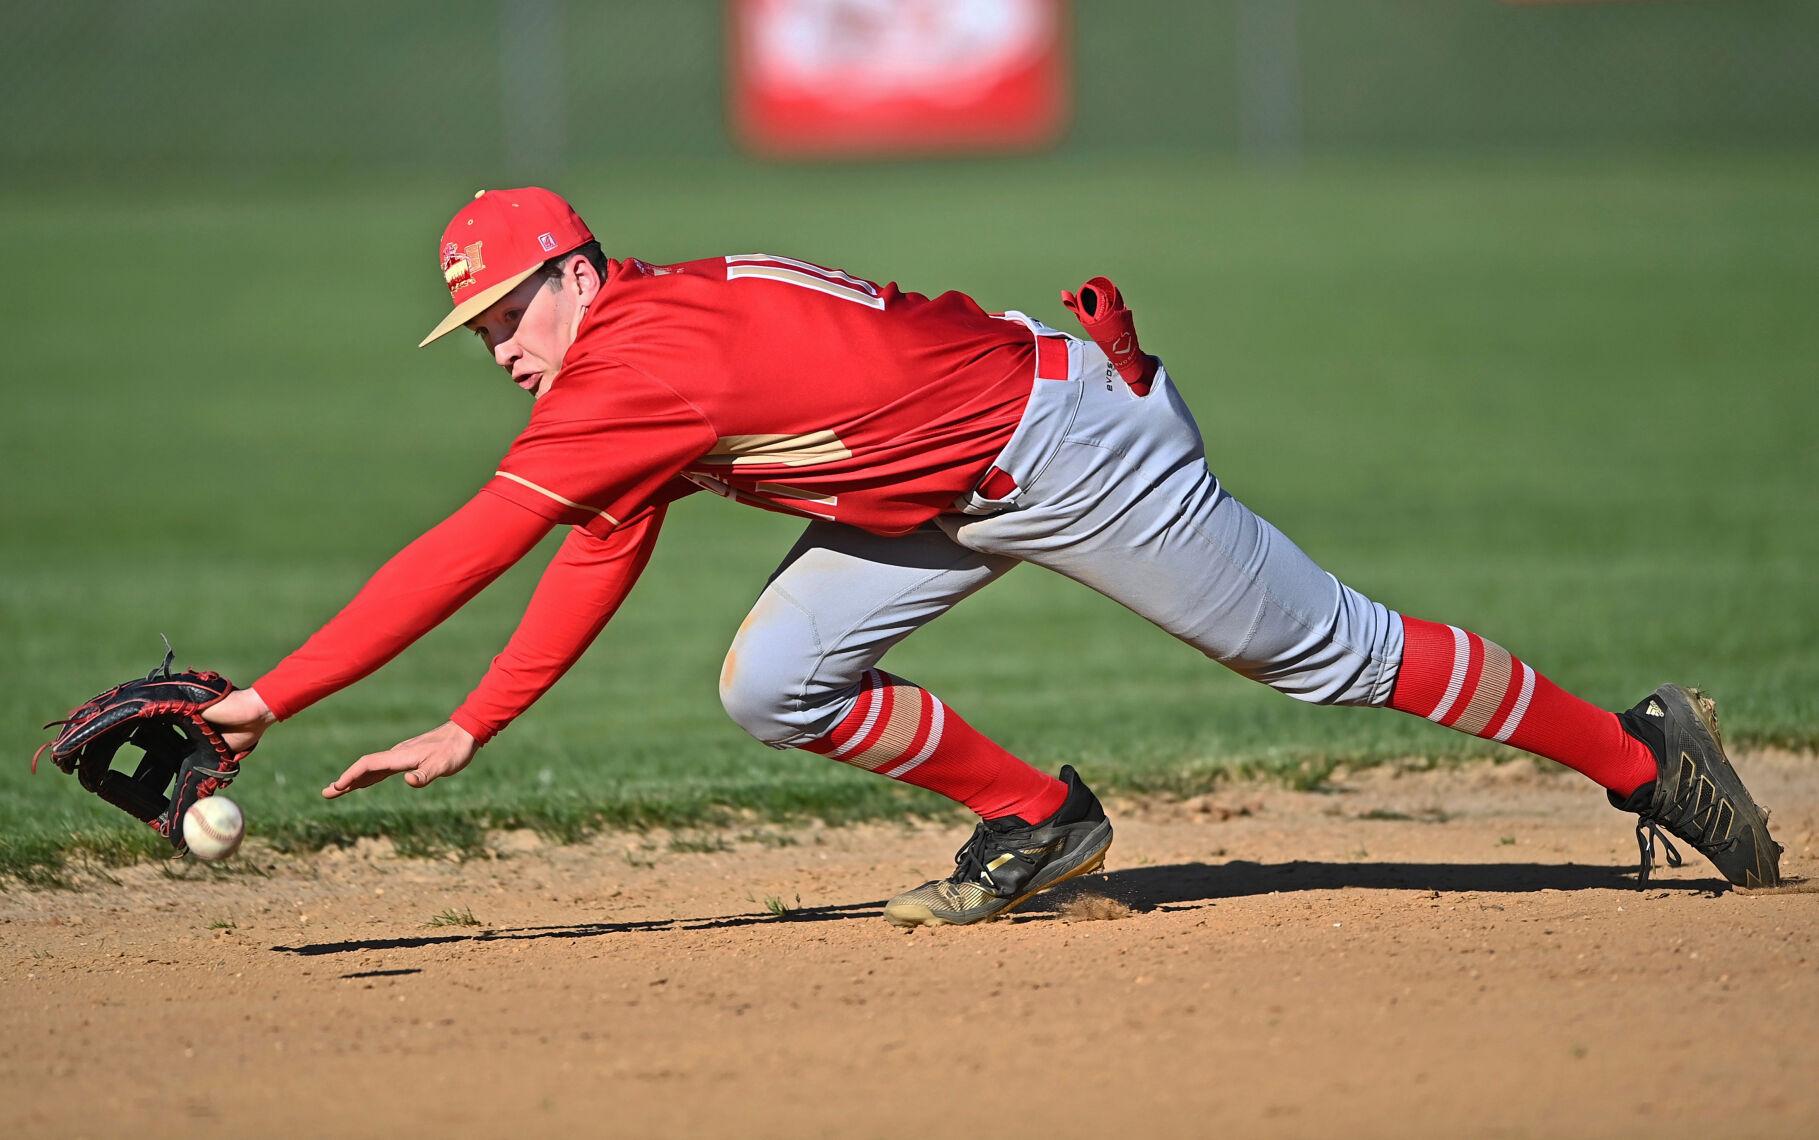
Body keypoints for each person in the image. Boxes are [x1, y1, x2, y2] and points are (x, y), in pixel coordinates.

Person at [203, 187, 1781, 925]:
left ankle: (1637, 754)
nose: (491, 350)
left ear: (569, 272)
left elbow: (469, 546)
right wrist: (481, 722)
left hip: (1065, 447)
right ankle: (1040, 820)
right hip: (936, 484)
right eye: (473, 330)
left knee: (1326, 656)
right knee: (776, 682)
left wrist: (269, 702)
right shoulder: (637, 351)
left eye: (498, 317)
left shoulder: (636, 356)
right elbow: (595, 542)